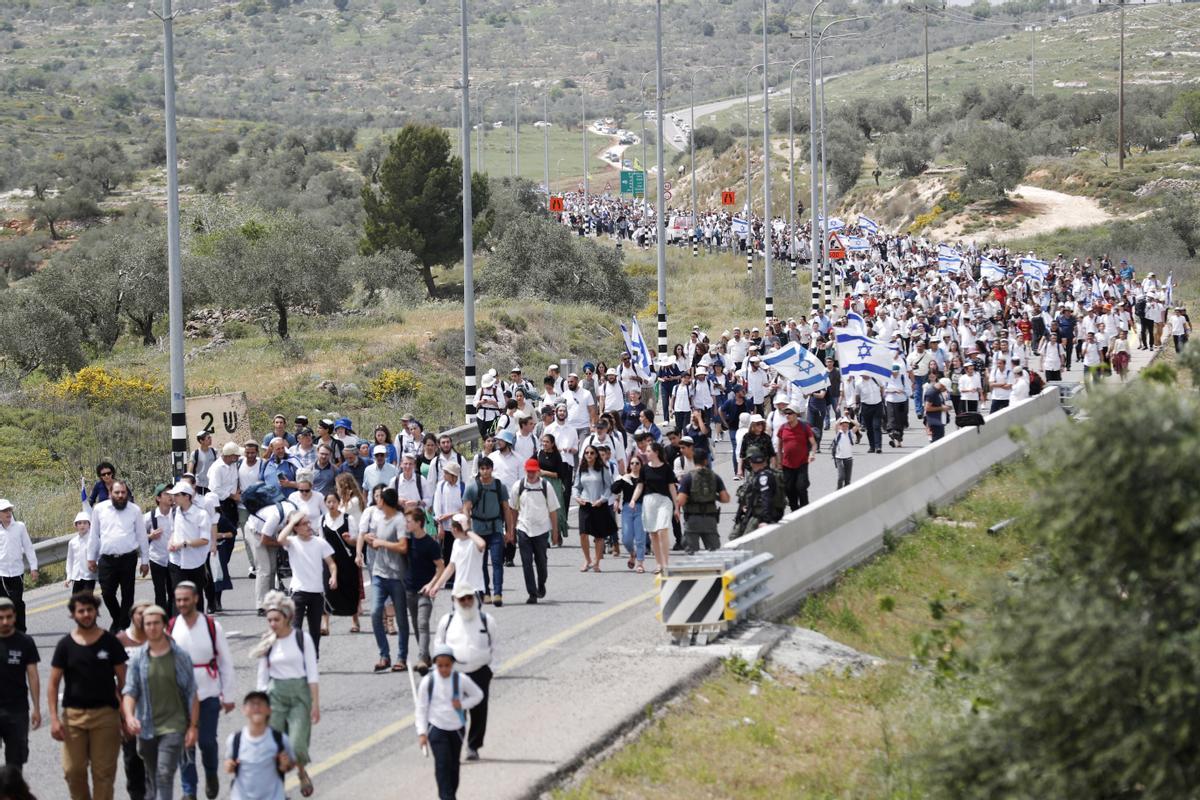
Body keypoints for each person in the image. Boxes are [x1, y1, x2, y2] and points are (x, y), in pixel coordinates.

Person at [49, 592, 128, 800]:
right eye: (81, 611)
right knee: (72, 771)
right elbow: (53, 683)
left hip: (106, 716)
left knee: (103, 774)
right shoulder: (65, 645)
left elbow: (124, 682)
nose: (86, 614)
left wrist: (126, 716)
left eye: (90, 610)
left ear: (96, 612)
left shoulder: (110, 642)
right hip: (73, 718)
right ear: (73, 615)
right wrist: (54, 719)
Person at [120, 604, 200, 800]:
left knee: (164, 774)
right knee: (154, 778)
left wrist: (192, 727)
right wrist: (129, 716)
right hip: (146, 726)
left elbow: (192, 693)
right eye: (148, 624)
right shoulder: (138, 658)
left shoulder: (179, 656)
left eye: (156, 623)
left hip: (173, 726)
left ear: (164, 624)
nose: (152, 627)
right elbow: (130, 690)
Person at [169, 582, 235, 800]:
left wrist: (228, 695)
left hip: (208, 692)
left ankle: (211, 774)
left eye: (186, 599)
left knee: (206, 741)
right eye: (178, 600)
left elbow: (225, 662)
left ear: (196, 599)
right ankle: (189, 790)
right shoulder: (171, 627)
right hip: (179, 697)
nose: (182, 604)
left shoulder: (211, 626)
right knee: (185, 743)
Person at [250, 592, 319, 799]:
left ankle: (301, 771)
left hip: (299, 697)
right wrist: (259, 708)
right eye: (269, 620)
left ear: (287, 618)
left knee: (297, 745)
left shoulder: (301, 638)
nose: (272, 624)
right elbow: (262, 678)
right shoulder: (268, 642)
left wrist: (315, 703)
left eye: (276, 620)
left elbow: (312, 673)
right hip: (275, 697)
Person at [433, 584, 495, 762]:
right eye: (462, 599)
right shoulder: (448, 620)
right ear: (455, 600)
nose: (466, 602)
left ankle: (473, 746)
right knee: (456, 711)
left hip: (480, 671)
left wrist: (492, 669)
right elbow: (439, 645)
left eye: (469, 598)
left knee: (479, 711)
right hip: (455, 674)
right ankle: (454, 745)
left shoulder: (486, 620)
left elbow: (496, 646)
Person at [415, 644, 483, 800]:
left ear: (452, 664)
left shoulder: (461, 679)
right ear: (435, 665)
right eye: (440, 666)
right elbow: (421, 708)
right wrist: (422, 733)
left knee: (453, 767)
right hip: (436, 728)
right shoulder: (428, 682)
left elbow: (478, 695)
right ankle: (447, 797)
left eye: (447, 665)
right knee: (442, 764)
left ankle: (450, 794)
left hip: (457, 729)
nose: (444, 669)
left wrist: (463, 704)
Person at [87, 480, 150, 632]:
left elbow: (142, 536)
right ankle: (118, 619)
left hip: (128, 558)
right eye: (117, 493)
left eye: (123, 493)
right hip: (107, 559)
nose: (121, 496)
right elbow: (94, 535)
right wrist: (91, 557)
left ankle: (123, 626)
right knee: (107, 594)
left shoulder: (134, 510)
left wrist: (145, 561)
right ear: (110, 493)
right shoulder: (99, 509)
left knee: (128, 594)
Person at [275, 511, 337, 660]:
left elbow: (331, 563)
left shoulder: (319, 542)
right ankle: (298, 657)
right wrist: (291, 522)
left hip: (317, 592)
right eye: (303, 524)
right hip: (299, 592)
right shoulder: (292, 542)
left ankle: (313, 656)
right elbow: (280, 538)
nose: (308, 526)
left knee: (315, 629)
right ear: (295, 528)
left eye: (308, 523)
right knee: (296, 628)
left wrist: (334, 576)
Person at [363, 490, 410, 673]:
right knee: (375, 613)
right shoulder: (379, 518)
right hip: (379, 573)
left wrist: (382, 543)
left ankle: (402, 657)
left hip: (397, 575)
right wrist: (369, 539)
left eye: (379, 498)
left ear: (385, 501)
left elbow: (403, 546)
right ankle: (384, 654)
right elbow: (375, 540)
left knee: (400, 618)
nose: (376, 501)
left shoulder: (399, 520)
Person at [224, 691, 296, 800]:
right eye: (252, 703)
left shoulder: (280, 739)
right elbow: (229, 765)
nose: (256, 707)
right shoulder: (234, 740)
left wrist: (285, 765)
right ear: (244, 710)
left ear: (269, 710)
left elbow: (291, 763)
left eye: (261, 703)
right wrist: (229, 766)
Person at [459, 458, 512, 606]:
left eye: (487, 468)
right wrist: (467, 528)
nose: (485, 471)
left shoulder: (499, 486)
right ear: (479, 470)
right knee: (480, 564)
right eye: (482, 468)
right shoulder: (472, 487)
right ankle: (485, 593)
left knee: (497, 562)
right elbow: (466, 508)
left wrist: (509, 531)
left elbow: (506, 509)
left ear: (492, 469)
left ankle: (498, 593)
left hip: (495, 528)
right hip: (478, 530)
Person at [510, 458, 559, 604]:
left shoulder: (546, 486)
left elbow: (553, 511)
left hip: (542, 529)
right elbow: (512, 509)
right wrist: (511, 530)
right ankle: (532, 593)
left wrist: (555, 532)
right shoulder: (518, 486)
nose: (531, 474)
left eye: (533, 471)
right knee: (526, 562)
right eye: (528, 471)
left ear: (538, 472)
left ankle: (541, 583)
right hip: (524, 528)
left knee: (541, 562)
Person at [115, 601, 150, 800]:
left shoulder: (160, 640)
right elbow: (113, 680)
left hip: (156, 712)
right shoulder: (120, 641)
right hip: (130, 712)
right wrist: (122, 713)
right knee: (132, 759)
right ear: (132, 616)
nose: (143, 617)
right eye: (139, 613)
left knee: (155, 761)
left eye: (148, 613)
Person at [0, 597, 39, 775]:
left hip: (17, 710)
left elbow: (32, 675)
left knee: (15, 765)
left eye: (9, 617)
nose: (5, 622)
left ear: (15, 616)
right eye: (0, 618)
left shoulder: (25, 642)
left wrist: (37, 708)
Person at [406, 507, 444, 674]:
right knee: (415, 625)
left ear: (419, 523)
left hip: (426, 592)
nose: (406, 524)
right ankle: (426, 656)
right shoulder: (407, 542)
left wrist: (431, 585)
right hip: (410, 590)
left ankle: (422, 658)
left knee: (422, 624)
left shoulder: (431, 544)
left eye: (409, 521)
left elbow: (441, 568)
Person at [631, 441, 678, 574]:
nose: (646, 453)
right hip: (649, 501)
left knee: (662, 530)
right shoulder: (645, 468)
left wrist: (676, 507)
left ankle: (666, 564)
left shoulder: (666, 468)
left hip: (664, 500)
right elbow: (640, 486)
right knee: (653, 534)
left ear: (656, 452)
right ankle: (658, 564)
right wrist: (633, 500)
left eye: (648, 451)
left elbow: (672, 487)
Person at [318, 493, 361, 636]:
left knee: (350, 588)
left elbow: (356, 541)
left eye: (334, 502)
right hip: (329, 559)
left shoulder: (349, 519)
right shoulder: (322, 520)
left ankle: (355, 620)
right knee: (326, 590)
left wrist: (350, 540)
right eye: (328, 502)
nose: (331, 505)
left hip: (347, 559)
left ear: (339, 503)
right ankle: (325, 624)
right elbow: (321, 541)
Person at [165, 481, 211, 615]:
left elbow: (204, 540)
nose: (174, 498)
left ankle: (199, 626)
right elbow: (173, 531)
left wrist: (184, 544)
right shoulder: (173, 512)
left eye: (177, 495)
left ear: (187, 496)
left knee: (195, 597)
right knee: (177, 595)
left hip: (195, 562)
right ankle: (177, 628)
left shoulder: (201, 514)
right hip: (176, 561)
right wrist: (171, 542)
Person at [675, 449, 730, 553]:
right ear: (706, 461)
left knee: (692, 553)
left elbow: (680, 500)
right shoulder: (714, 477)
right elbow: (725, 498)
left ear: (693, 460)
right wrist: (713, 495)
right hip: (710, 518)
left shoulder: (687, 478)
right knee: (714, 552)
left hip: (692, 519)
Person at [428, 515, 487, 606]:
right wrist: (437, 585)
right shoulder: (456, 543)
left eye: (451, 528)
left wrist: (467, 530)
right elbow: (451, 567)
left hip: (473, 591)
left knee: (472, 620)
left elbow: (482, 544)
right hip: (458, 591)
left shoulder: (473, 542)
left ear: (454, 529)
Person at [573, 446, 614, 573]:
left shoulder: (603, 469)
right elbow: (576, 486)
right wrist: (577, 497)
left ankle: (597, 561)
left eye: (591, 453)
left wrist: (602, 499)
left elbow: (608, 487)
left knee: (599, 535)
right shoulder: (582, 469)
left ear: (596, 455)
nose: (589, 455)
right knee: (583, 533)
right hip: (585, 503)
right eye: (586, 453)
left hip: (599, 504)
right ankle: (587, 559)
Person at [0, 501, 36, 633]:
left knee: (17, 603)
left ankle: (21, 631)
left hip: (17, 572)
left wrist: (34, 567)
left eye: (9, 510)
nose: (8, 513)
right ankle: (6, 631)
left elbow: (28, 547)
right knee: (3, 604)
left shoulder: (19, 527)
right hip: (1, 573)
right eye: (4, 511)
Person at [774, 403, 817, 511]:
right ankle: (795, 511)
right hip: (787, 464)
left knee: (801, 487)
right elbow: (779, 446)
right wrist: (779, 461)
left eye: (790, 413)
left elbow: (813, 444)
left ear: (796, 414)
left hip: (802, 463)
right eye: (786, 413)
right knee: (789, 489)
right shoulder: (783, 428)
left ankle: (805, 509)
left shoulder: (804, 427)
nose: (787, 415)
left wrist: (812, 454)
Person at [731, 449, 778, 538]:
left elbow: (766, 498)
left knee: (742, 539)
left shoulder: (763, 476)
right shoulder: (755, 476)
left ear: (752, 464)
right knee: (735, 536)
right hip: (752, 512)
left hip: (759, 515)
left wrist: (765, 520)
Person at [611, 455, 647, 572]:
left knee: (640, 537)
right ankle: (632, 553)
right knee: (626, 538)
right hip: (627, 508)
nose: (634, 465)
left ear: (641, 465)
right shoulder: (626, 478)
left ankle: (640, 563)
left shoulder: (644, 478)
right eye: (632, 463)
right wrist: (621, 478)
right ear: (629, 465)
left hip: (641, 508)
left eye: (637, 463)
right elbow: (614, 489)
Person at [65, 511, 99, 599]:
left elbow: (99, 555)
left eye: (85, 523)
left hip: (89, 576)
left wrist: (96, 565)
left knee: (87, 601)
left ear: (89, 525)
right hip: (76, 576)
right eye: (79, 523)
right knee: (76, 601)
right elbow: (70, 560)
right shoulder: (72, 542)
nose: (82, 525)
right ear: (76, 526)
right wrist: (69, 576)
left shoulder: (94, 540)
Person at [831, 416, 856, 489]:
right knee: (841, 477)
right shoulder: (838, 433)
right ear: (840, 426)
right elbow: (835, 425)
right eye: (843, 425)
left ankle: (846, 494)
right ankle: (838, 491)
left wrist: (850, 419)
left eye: (847, 425)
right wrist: (841, 418)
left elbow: (858, 425)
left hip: (849, 459)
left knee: (847, 480)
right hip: (839, 458)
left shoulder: (850, 433)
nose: (845, 427)